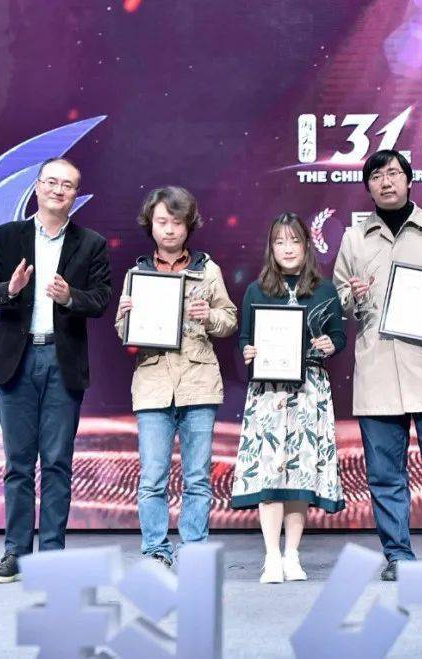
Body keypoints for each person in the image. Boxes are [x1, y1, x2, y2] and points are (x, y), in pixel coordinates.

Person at [332, 149, 422, 581]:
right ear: (368, 187)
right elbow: (338, 301)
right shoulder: (354, 239)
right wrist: (351, 295)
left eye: (394, 173)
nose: (386, 181)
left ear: (409, 181)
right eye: (377, 175)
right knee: (385, 476)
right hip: (378, 371)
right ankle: (398, 556)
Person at [0, 157, 111, 583]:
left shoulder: (91, 243)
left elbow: (101, 300)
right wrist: (11, 289)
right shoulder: (7, 236)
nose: (58, 190)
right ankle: (15, 553)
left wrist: (70, 297)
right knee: (18, 463)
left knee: (56, 462)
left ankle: (52, 557)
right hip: (16, 361)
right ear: (37, 187)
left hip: (61, 360)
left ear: (75, 194)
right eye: (51, 182)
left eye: (67, 185)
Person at [114, 186, 237, 570]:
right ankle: (155, 549)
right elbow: (122, 331)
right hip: (153, 386)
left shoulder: (207, 270)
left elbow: (229, 320)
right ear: (150, 225)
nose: (169, 230)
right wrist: (127, 316)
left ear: (188, 226)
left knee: (197, 477)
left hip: (198, 383)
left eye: (177, 222)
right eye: (162, 222)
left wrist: (209, 316)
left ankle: (194, 549)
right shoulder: (137, 274)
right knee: (153, 477)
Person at [232, 212, 347, 583]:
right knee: (270, 474)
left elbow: (339, 336)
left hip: (309, 391)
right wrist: (248, 350)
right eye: (279, 241)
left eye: (294, 241)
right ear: (271, 247)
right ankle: (271, 557)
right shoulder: (256, 290)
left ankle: (292, 555)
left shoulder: (325, 290)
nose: (287, 248)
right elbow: (244, 337)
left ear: (306, 245)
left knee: (300, 475)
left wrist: (330, 344)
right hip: (269, 392)